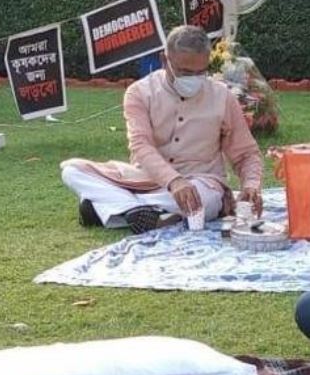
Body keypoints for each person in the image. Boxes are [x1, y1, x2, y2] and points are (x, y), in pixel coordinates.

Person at [60, 25, 264, 234]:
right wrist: (174, 181)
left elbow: (246, 153)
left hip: (200, 182)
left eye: (201, 72)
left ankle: (116, 208)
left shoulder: (222, 96)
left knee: (208, 198)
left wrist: (251, 185)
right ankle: (143, 211)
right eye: (185, 72)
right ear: (164, 60)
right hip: (144, 179)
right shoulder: (139, 92)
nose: (193, 79)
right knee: (72, 170)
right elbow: (141, 145)